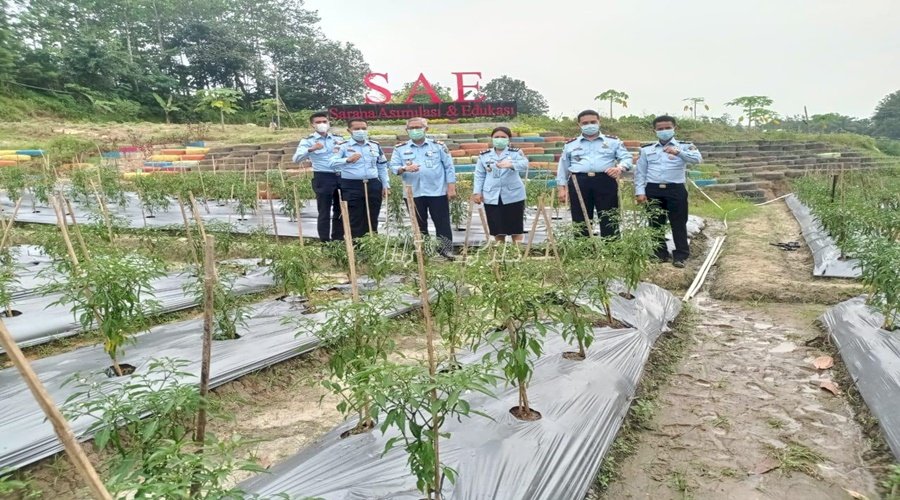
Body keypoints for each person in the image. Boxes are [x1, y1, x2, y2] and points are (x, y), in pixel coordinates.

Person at [635, 115, 702, 268]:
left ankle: (680, 255)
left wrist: (679, 153)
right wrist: (640, 192)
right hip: (652, 189)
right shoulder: (647, 150)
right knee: (655, 223)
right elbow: (640, 172)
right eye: (660, 129)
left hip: (676, 189)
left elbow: (697, 160)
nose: (664, 131)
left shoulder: (685, 146)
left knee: (678, 222)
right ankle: (659, 253)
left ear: (674, 128)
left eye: (667, 128)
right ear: (654, 130)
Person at [557, 110, 633, 237]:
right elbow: (563, 166)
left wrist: (619, 168)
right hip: (579, 181)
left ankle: (612, 250)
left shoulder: (613, 141)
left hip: (605, 180)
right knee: (580, 218)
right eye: (585, 123)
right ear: (579, 125)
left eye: (593, 122)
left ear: (599, 122)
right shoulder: (571, 144)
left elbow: (627, 158)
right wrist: (561, 188)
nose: (589, 125)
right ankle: (584, 250)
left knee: (609, 217)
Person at [390, 117, 457, 258]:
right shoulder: (400, 149)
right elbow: (394, 168)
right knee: (418, 223)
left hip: (437, 190)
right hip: (413, 192)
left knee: (442, 222)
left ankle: (445, 249)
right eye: (411, 128)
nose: (415, 130)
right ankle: (422, 251)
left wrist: (451, 187)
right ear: (407, 130)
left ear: (426, 129)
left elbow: (449, 167)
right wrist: (405, 168)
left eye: (418, 127)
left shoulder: (438, 146)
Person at [330, 118, 390, 238]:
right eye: (357, 129)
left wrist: (385, 185)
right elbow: (331, 163)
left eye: (363, 128)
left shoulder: (374, 145)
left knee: (372, 216)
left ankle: (372, 244)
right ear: (349, 130)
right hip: (352, 185)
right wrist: (347, 160)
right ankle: (356, 247)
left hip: (373, 184)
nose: (361, 131)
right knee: (355, 217)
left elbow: (382, 166)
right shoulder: (343, 146)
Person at [292, 111, 344, 241]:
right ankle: (325, 242)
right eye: (318, 122)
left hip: (341, 175)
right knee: (324, 211)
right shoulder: (308, 141)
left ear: (329, 122)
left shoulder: (339, 139)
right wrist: (311, 149)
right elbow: (296, 158)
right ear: (312, 125)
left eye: (324, 121)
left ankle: (338, 239)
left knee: (341, 209)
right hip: (323, 177)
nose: (322, 124)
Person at [472, 126, 529, 243]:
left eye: (503, 137)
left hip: (513, 194)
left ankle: (516, 253)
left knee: (516, 227)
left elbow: (525, 164)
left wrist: (511, 164)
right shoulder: (484, 155)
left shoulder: (515, 152)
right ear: (492, 139)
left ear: (509, 139)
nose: (500, 139)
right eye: (496, 137)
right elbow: (479, 175)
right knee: (497, 228)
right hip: (492, 195)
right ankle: (499, 253)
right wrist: (477, 192)